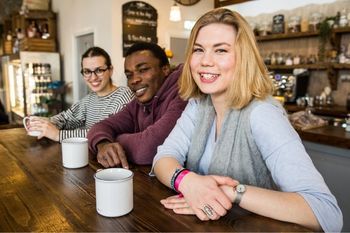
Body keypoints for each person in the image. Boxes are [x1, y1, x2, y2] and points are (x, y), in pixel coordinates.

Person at [152, 8, 342, 232]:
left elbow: (327, 213)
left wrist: (228, 191)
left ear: (244, 59)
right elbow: (163, 158)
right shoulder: (198, 104)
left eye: (221, 50)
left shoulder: (263, 114)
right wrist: (188, 181)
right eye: (198, 50)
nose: (206, 61)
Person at [87, 42, 187, 168]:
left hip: (188, 184)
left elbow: (148, 149)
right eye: (129, 75)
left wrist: (115, 140)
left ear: (165, 69)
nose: (134, 80)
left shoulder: (183, 95)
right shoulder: (138, 104)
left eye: (143, 70)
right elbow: (100, 127)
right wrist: (104, 143)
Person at [26, 46, 134, 142]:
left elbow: (108, 133)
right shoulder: (88, 100)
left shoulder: (124, 96)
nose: (93, 77)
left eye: (99, 70)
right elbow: (66, 119)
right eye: (87, 71)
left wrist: (58, 135)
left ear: (110, 70)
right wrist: (44, 123)